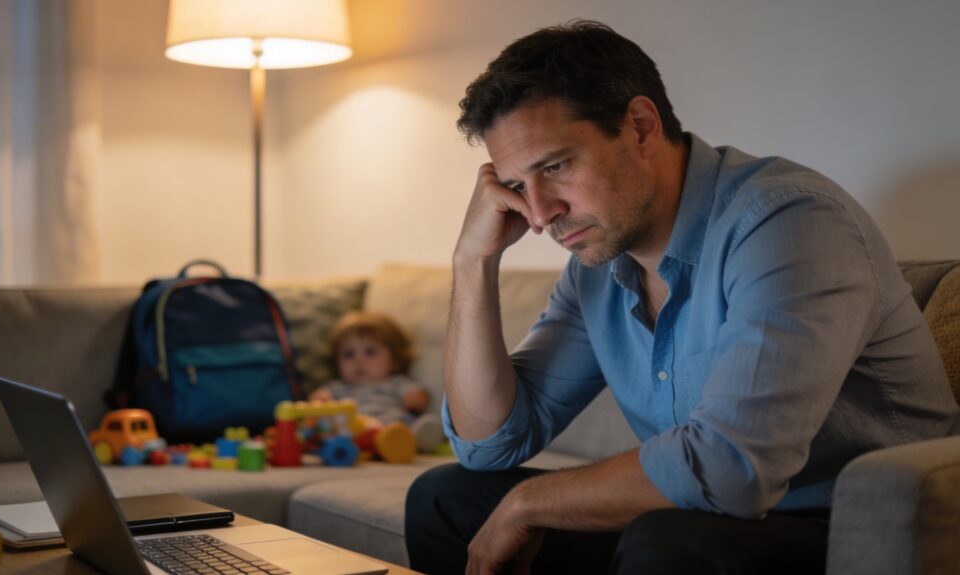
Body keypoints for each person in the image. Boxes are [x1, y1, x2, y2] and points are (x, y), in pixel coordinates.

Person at [404, 20, 959, 575]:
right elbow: (487, 446)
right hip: (700, 518)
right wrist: (473, 262)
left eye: (556, 166)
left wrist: (528, 503)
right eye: (519, 186)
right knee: (445, 499)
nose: (542, 212)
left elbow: (732, 469)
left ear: (641, 127)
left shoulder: (790, 222)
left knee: (669, 542)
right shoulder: (596, 267)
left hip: (846, 528)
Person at [310, 311, 443, 451]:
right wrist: (321, 400)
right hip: (355, 430)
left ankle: (418, 438)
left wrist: (415, 398)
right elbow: (317, 399)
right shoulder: (338, 387)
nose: (358, 360)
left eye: (370, 352)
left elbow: (418, 397)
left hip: (392, 427)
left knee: (410, 426)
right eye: (349, 354)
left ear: (395, 361)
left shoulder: (395, 382)